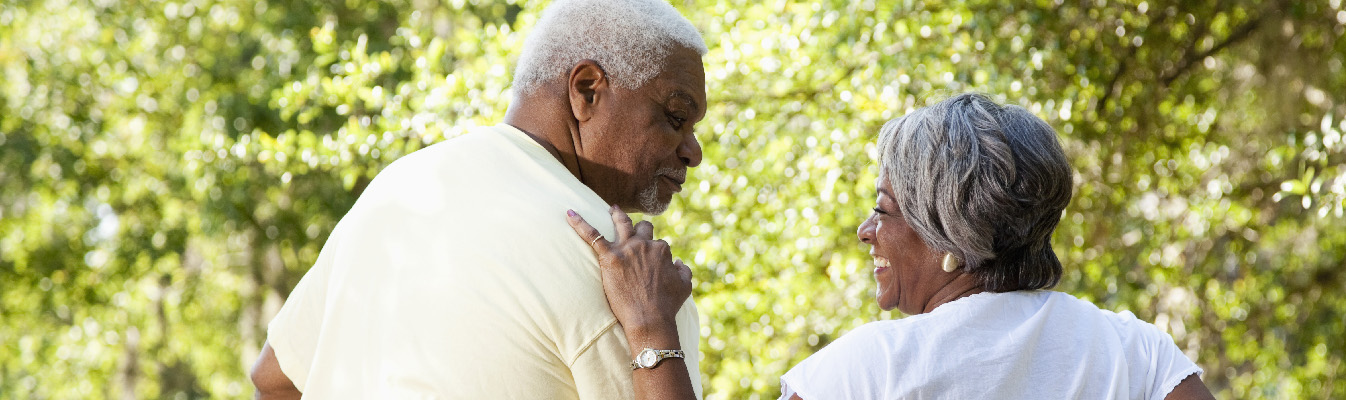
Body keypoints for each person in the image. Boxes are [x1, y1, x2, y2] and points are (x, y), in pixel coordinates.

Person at [567, 93, 1216, 399]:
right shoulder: (1142, 358)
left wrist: (652, 331)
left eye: (882, 210)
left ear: (949, 238)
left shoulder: (868, 373)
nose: (865, 231)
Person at [249, 0, 710, 398]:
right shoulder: (632, 280)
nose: (694, 152)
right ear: (586, 90)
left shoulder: (397, 190)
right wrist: (654, 332)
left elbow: (275, 382)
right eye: (676, 117)